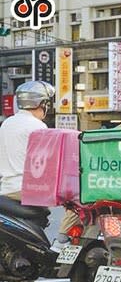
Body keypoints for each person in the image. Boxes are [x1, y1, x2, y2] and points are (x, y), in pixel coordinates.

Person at [0, 81, 80, 268]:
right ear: (43, 104)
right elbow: (50, 163)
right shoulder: (37, 127)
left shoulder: (6, 124)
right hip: (28, 190)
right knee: (79, 200)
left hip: (6, 188)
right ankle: (60, 243)